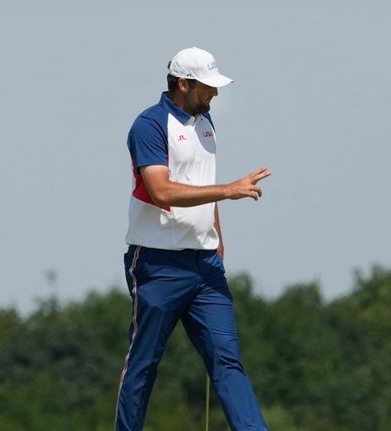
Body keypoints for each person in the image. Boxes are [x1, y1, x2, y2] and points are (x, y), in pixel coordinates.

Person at [114, 47, 270, 431]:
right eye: (207, 86)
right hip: (157, 263)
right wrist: (229, 190)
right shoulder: (148, 126)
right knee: (143, 365)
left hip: (205, 264)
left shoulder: (205, 121)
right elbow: (161, 191)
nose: (215, 94)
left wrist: (217, 233)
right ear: (183, 84)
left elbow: (201, 179)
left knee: (227, 361)